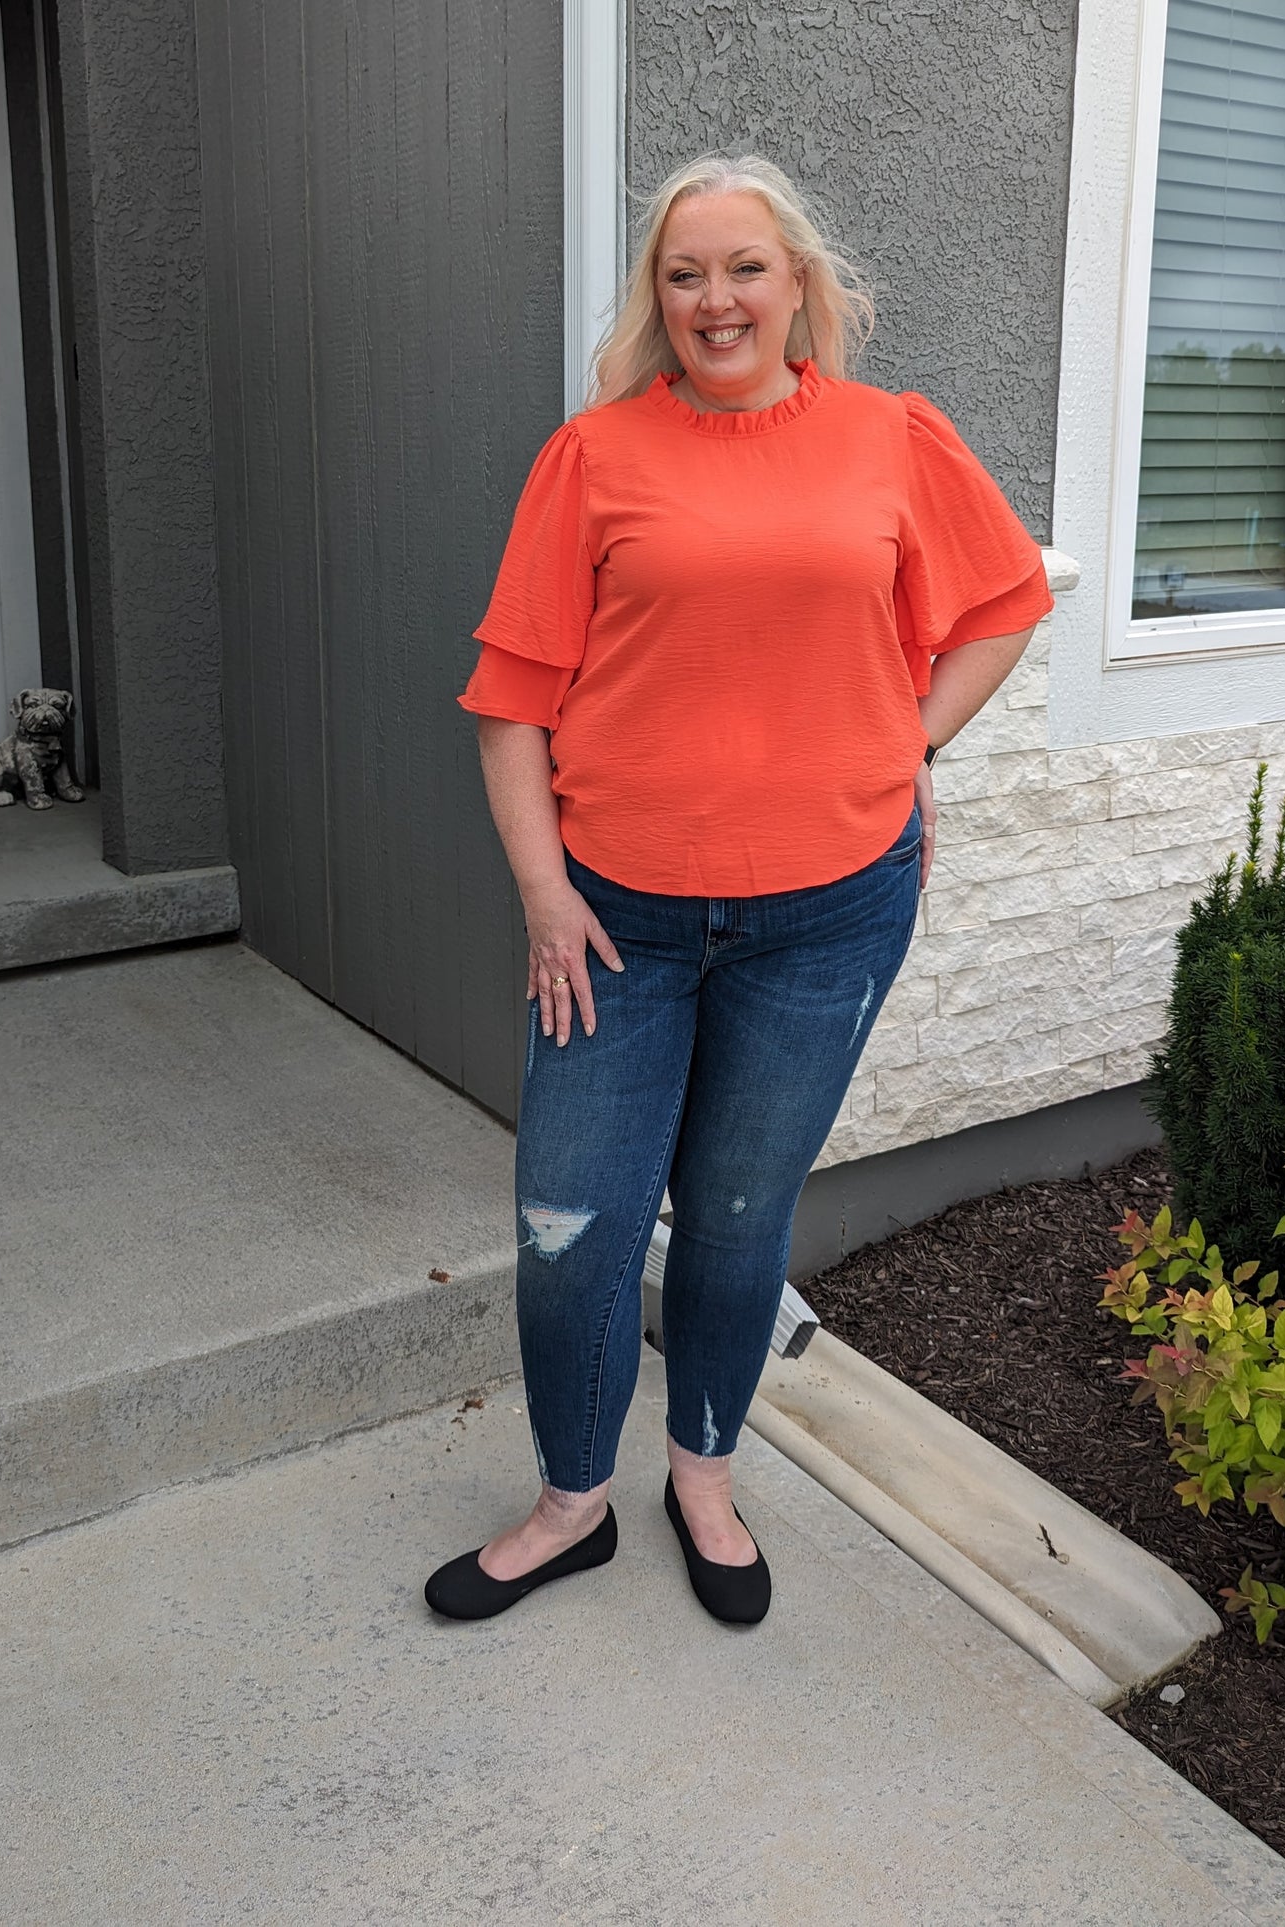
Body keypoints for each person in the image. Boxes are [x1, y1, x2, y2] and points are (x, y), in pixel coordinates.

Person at [424, 153, 1052, 1627]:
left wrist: (898, 743)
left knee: (734, 1212)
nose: (715, 299)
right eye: (684, 273)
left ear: (798, 285)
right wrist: (542, 894)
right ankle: (572, 1500)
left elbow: (1004, 601)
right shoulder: (592, 459)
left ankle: (700, 1475)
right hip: (615, 921)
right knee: (568, 1222)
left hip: (828, 913)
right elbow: (511, 700)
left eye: (743, 268)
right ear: (659, 297)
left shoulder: (892, 438)